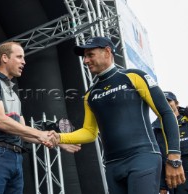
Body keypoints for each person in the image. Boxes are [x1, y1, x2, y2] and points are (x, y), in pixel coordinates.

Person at [50, 36, 185, 194]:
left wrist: (174, 156)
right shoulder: (90, 95)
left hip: (142, 158)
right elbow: (89, 132)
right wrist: (59, 138)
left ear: (107, 52)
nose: (85, 61)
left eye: (90, 55)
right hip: (113, 166)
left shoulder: (134, 77)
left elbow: (165, 113)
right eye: (84, 57)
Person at [0, 41, 80, 194]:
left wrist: (57, 141)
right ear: (4, 58)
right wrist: (41, 134)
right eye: (19, 57)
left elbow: (23, 131)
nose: (24, 61)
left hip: (16, 157)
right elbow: (0, 121)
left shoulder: (14, 94)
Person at [153, 91, 188, 194]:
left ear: (176, 103)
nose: (166, 103)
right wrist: (162, 186)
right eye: (162, 101)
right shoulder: (155, 129)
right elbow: (158, 159)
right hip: (175, 180)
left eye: (169, 100)